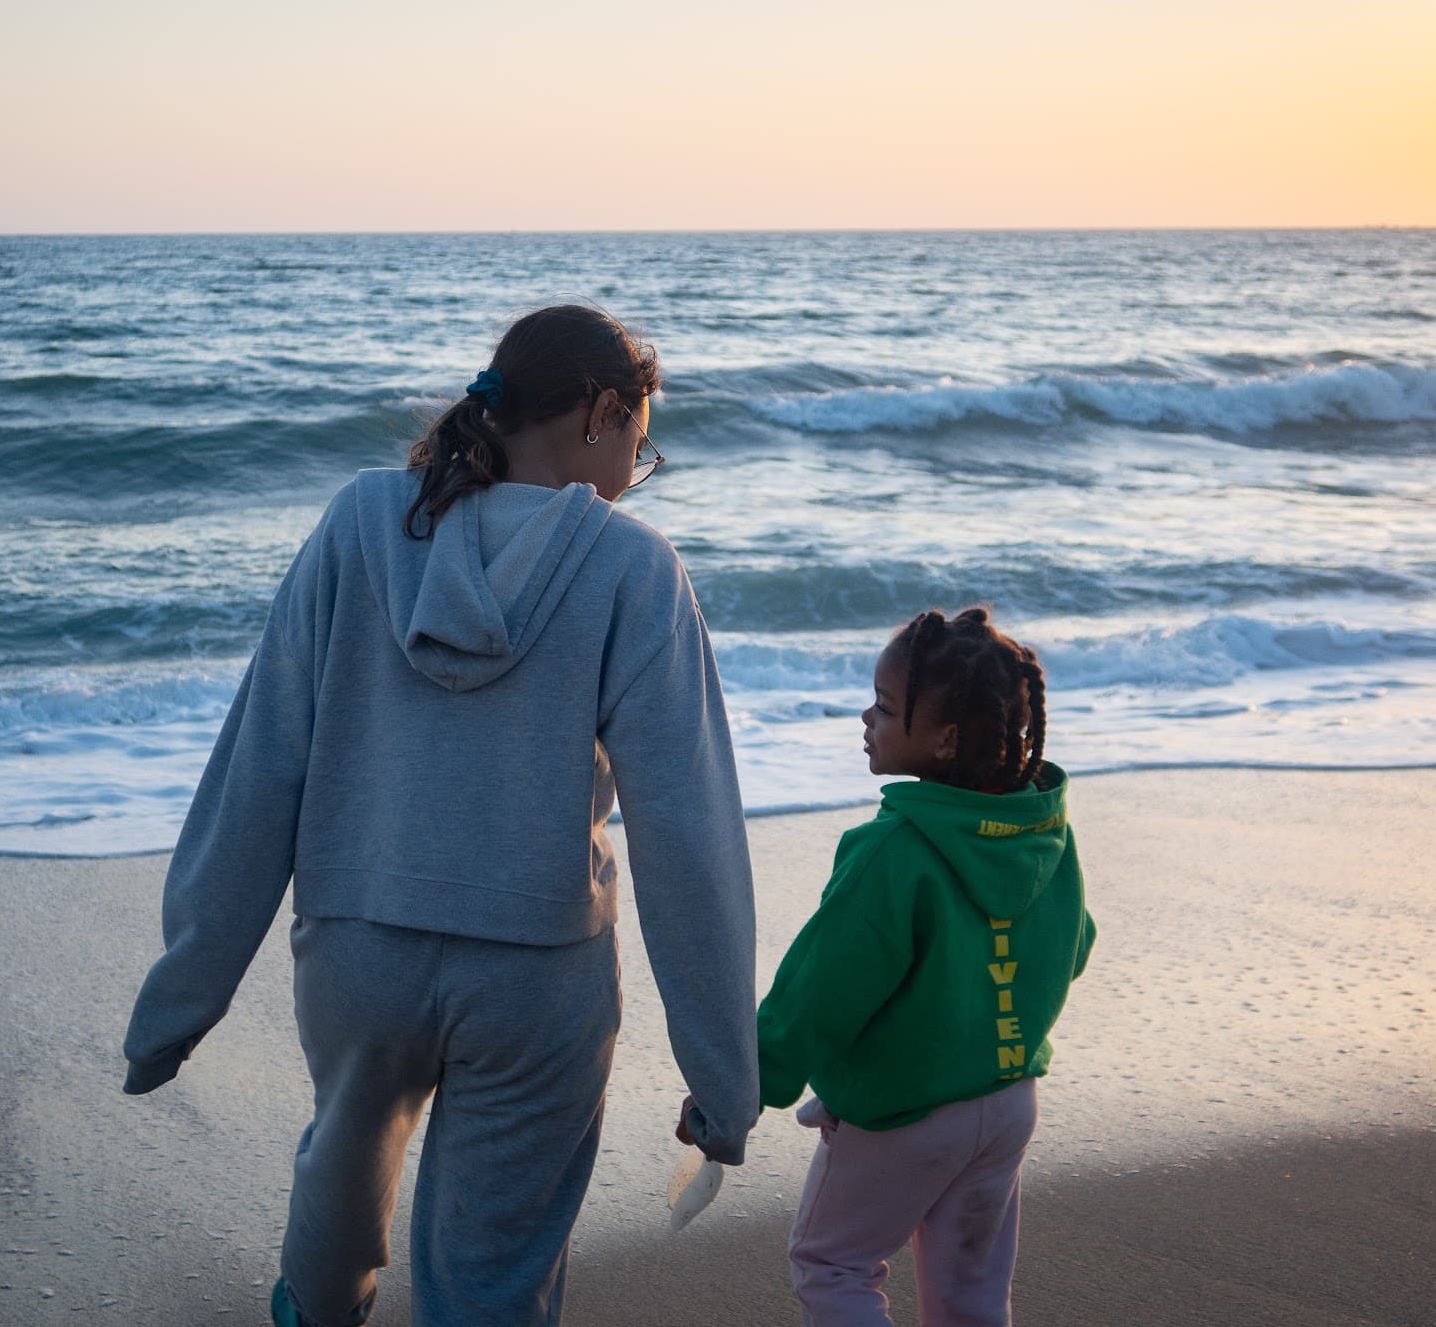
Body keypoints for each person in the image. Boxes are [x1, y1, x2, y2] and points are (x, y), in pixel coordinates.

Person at [121, 304, 758, 1327]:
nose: (633, 472)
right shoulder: (633, 569)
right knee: (493, 1271)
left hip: (358, 950)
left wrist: (178, 1002)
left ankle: (320, 1304)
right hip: (536, 976)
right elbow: (688, 835)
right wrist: (724, 1076)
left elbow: (260, 762)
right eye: (639, 447)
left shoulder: (359, 523)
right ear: (601, 412)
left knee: (343, 1157)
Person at [756, 607, 1094, 1326]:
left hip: (903, 1114)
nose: (865, 718)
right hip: (1007, 1101)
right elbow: (1077, 946)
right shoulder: (1044, 836)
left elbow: (821, 989)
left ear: (942, 738)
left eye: (883, 707)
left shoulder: (893, 851)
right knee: (970, 1294)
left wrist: (749, 1083)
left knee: (833, 1264)